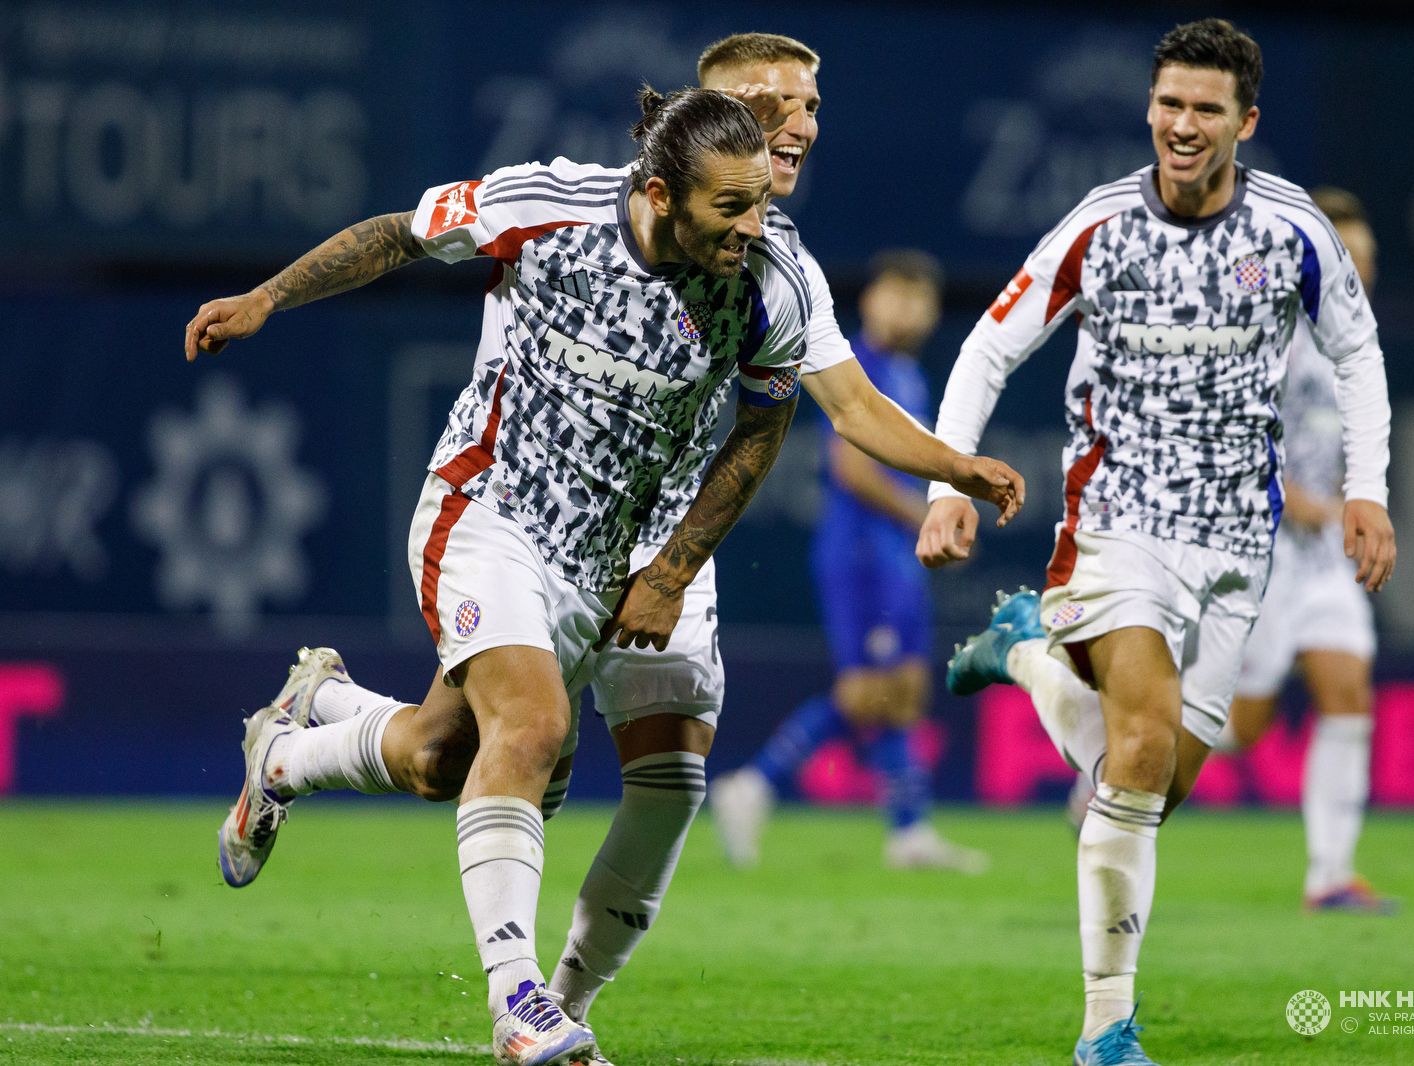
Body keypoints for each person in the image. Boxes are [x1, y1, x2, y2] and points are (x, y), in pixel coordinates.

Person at [195, 35, 1024, 1065]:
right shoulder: (549, 205)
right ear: (669, 181)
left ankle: (290, 745)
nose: (754, 221)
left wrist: (952, 468)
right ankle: (522, 1003)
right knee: (534, 727)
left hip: (620, 554)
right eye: (735, 199)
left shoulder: (774, 273)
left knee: (438, 757)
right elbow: (400, 234)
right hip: (488, 511)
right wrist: (266, 297)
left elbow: (796, 420)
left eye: (807, 111)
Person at [921, 20, 1396, 1066]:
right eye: (1169, 104)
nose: (1183, 126)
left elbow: (1356, 357)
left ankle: (1027, 654)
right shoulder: (1098, 226)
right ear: (1149, 107)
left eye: (1206, 109)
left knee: (1149, 782)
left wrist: (1367, 491)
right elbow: (992, 342)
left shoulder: (1293, 231)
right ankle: (1106, 1028)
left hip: (1237, 545)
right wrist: (947, 476)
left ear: (1245, 122)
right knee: (1134, 748)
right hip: (1116, 523)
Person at [709, 251, 988, 874]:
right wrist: (925, 515)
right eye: (896, 293)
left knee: (907, 689)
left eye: (919, 297)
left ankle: (910, 831)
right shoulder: (857, 366)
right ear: (868, 302)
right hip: (863, 554)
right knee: (866, 693)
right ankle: (753, 785)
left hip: (896, 558)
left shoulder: (909, 373)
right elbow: (852, 469)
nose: (907, 308)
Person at [1213, 187, 1396, 914]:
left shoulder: (1355, 343)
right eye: (1347, 255)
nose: (1363, 270)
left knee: (1349, 694)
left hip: (1324, 559)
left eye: (1369, 258)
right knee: (1242, 728)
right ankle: (1113, 767)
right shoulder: (1269, 324)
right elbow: (1230, 435)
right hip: (1264, 553)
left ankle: (1330, 876)